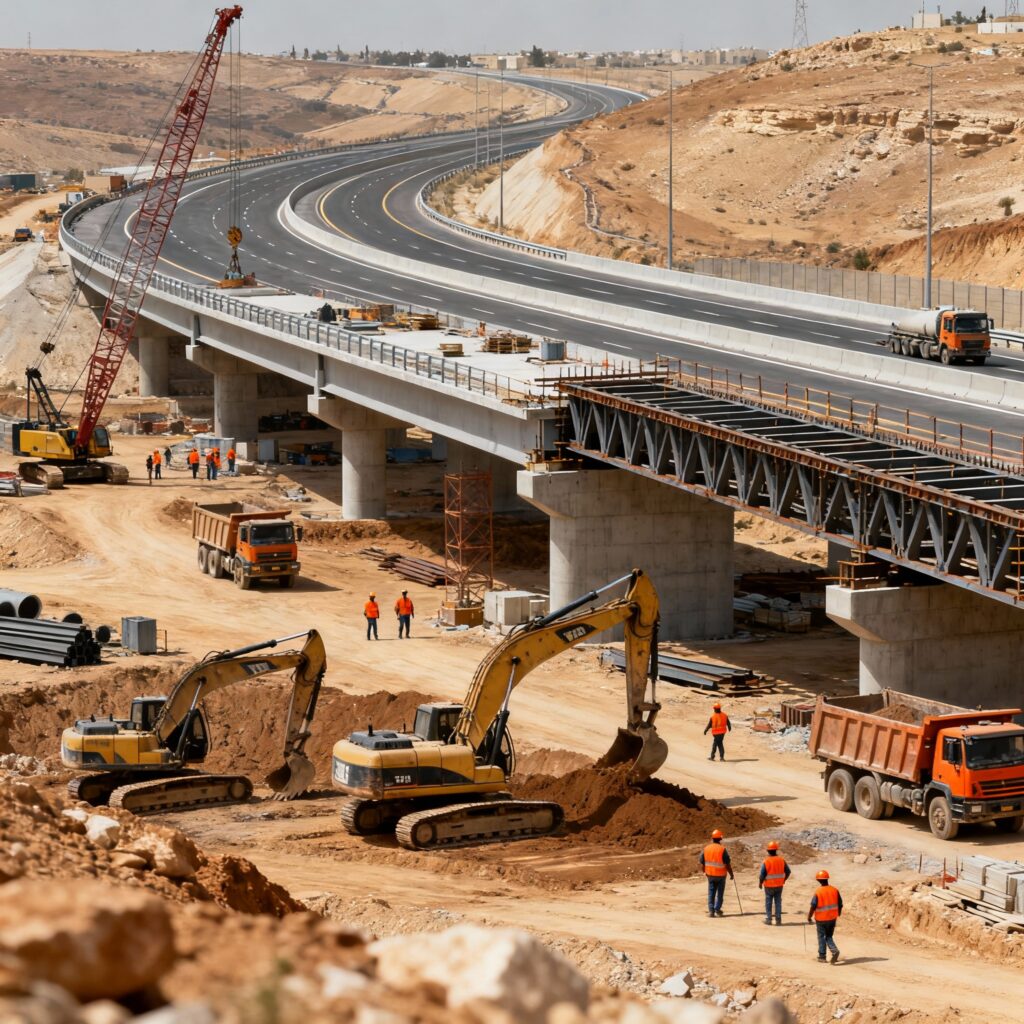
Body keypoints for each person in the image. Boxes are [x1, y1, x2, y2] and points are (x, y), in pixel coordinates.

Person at [807, 870, 843, 964]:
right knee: (829, 936)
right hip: (832, 918)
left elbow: (813, 906)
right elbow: (840, 904)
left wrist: (809, 917)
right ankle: (834, 950)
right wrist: (838, 913)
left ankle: (822, 956)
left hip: (821, 919)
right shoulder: (834, 890)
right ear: (827, 879)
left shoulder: (818, 892)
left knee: (821, 937)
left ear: (818, 880)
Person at [699, 829, 734, 918]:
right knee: (720, 893)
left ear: (712, 838)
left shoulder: (706, 848)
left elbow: (702, 862)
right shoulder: (722, 849)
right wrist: (731, 874)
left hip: (710, 874)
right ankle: (717, 909)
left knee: (711, 892)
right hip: (721, 875)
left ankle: (711, 911)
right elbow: (727, 864)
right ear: (720, 839)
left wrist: (704, 872)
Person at [759, 840, 791, 925]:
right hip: (779, 885)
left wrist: (760, 883)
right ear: (776, 850)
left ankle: (769, 919)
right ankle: (778, 920)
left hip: (769, 886)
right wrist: (784, 880)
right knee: (778, 902)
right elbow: (788, 871)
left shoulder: (766, 861)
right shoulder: (781, 860)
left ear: (768, 851)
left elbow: (762, 875)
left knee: (768, 902)